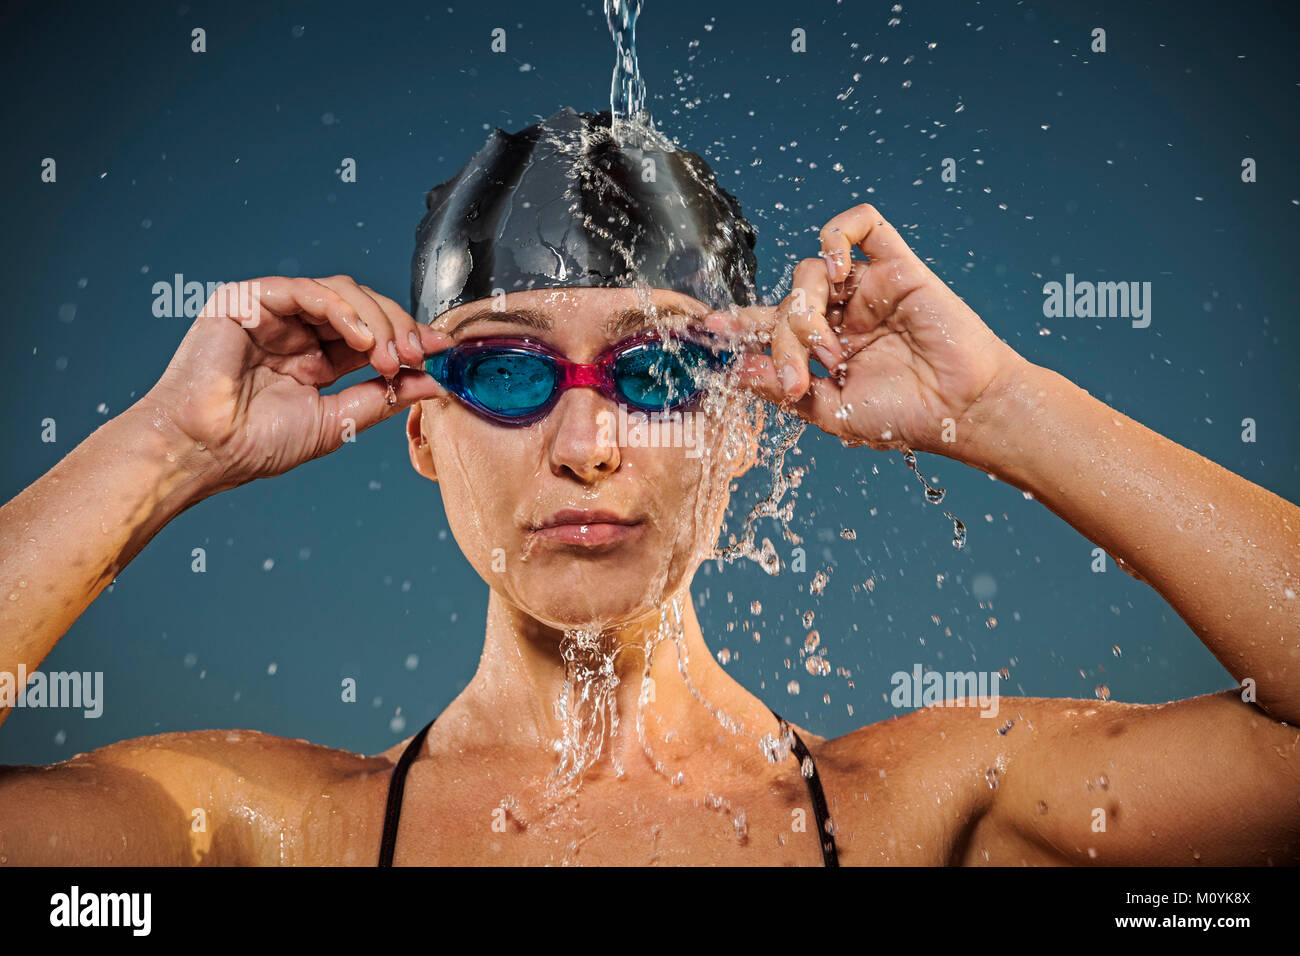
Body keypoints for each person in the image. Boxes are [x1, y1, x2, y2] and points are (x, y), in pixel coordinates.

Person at [0, 110, 1296, 866]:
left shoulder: (927, 811)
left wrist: (999, 408)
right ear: (419, 431)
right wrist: (160, 452)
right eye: (504, 373)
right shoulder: (261, 834)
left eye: (661, 370)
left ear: (743, 423)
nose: (587, 444)